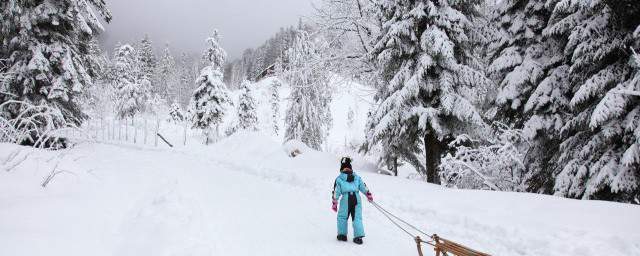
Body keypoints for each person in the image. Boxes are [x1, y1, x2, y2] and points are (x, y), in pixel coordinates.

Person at [331, 157, 373, 245]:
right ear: (351, 167)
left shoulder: (339, 179)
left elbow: (336, 191)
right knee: (357, 217)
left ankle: (342, 235)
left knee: (342, 216)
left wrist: (335, 202)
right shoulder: (357, 177)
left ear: (341, 168)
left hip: (346, 199)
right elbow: (363, 186)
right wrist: (368, 194)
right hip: (356, 198)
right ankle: (358, 237)